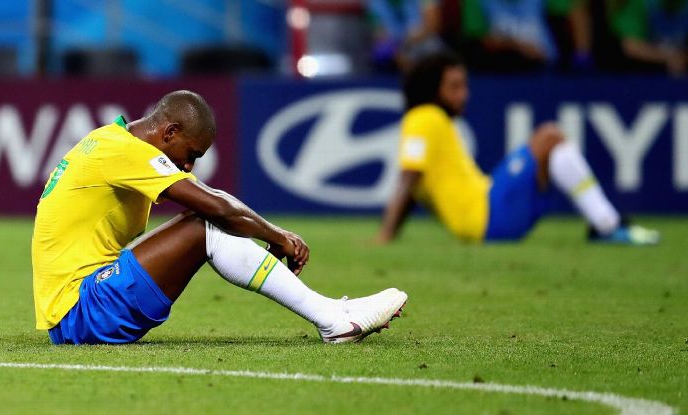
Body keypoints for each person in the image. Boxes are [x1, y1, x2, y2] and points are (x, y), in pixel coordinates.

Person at [32, 90, 407, 345]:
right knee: (206, 223)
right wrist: (277, 237)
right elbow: (217, 208)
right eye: (191, 153)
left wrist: (271, 231)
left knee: (207, 216)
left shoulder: (114, 141)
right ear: (170, 131)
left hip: (80, 308)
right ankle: (333, 320)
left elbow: (215, 197)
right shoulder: (123, 151)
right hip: (82, 314)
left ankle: (332, 309)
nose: (189, 164)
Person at [377, 52, 660, 245]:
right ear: (432, 89)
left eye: (464, 86)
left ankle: (605, 225)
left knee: (553, 150)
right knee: (549, 137)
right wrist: (386, 233)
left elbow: (414, 185)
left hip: (489, 221)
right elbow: (409, 176)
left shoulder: (433, 122)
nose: (465, 95)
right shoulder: (423, 117)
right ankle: (608, 225)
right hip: (486, 216)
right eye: (455, 87)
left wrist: (391, 234)